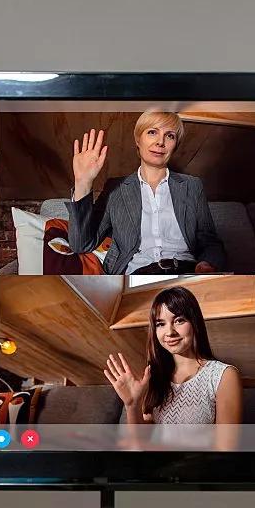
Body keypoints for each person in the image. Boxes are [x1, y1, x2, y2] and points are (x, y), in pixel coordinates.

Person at [65, 108, 227, 276]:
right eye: (152, 132)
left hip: (187, 270)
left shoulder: (192, 185)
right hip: (138, 274)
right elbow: (81, 245)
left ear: (175, 145)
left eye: (170, 135)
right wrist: (82, 183)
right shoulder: (115, 189)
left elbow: (211, 242)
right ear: (138, 140)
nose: (160, 142)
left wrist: (207, 263)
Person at [102, 286, 242, 427]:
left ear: (195, 322)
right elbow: (139, 444)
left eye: (179, 320)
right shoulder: (154, 376)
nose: (169, 332)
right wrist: (132, 406)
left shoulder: (223, 375)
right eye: (161, 324)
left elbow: (225, 446)